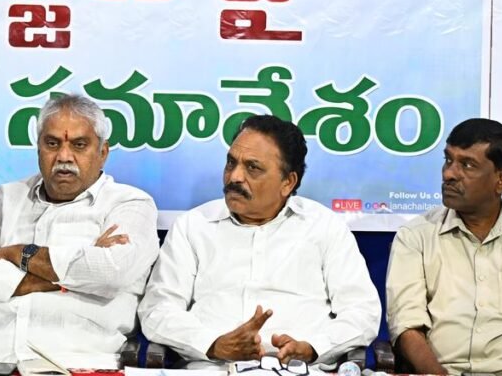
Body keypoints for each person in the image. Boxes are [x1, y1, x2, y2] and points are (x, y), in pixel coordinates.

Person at [139, 114, 380, 366]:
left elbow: (362, 312)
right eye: (231, 163)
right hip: (214, 369)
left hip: (299, 371)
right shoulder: (193, 226)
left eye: (252, 168)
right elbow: (157, 309)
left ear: (288, 182)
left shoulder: (325, 227)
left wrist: (313, 348)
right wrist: (213, 344)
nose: (234, 177)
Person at [0, 94, 159, 368]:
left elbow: (110, 273)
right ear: (38, 149)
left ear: (103, 153)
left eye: (79, 145)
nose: (64, 157)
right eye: (52, 143)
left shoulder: (130, 204)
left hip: (80, 366)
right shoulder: (5, 199)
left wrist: (15, 254)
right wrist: (79, 266)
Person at [386, 118, 502, 376]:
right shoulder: (415, 236)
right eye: (448, 160)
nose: (449, 174)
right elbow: (406, 324)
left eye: (467, 165)